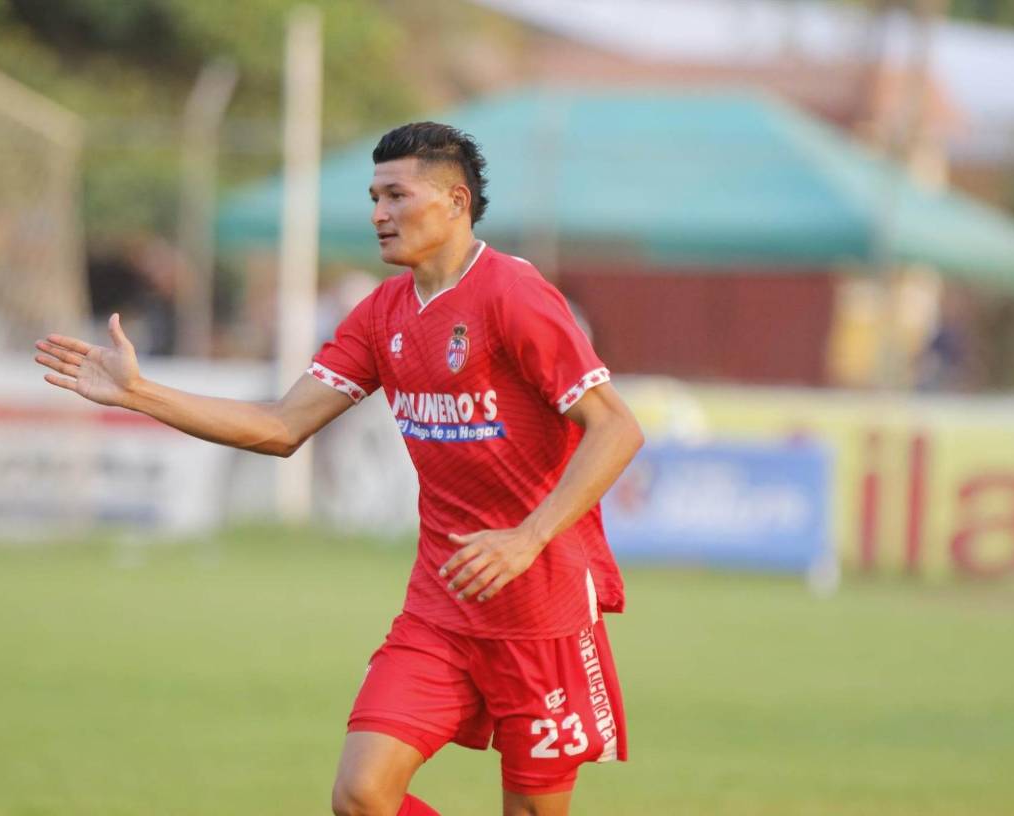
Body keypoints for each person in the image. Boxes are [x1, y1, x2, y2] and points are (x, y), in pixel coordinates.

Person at [35, 122, 644, 816]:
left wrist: (526, 537)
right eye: (373, 197)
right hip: (440, 609)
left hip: (543, 608)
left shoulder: (514, 295)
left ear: (455, 201)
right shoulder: (381, 312)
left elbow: (616, 427)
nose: (379, 213)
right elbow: (281, 426)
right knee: (362, 793)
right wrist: (140, 393)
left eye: (396, 195)